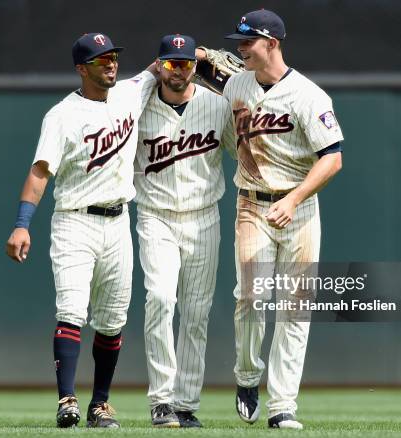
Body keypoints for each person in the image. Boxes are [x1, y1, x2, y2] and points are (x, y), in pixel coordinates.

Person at [199, 9, 344, 430]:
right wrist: (201, 56)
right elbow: (204, 68)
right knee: (250, 296)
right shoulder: (237, 83)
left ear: (273, 43)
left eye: (249, 42)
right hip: (252, 205)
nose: (241, 48)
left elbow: (332, 158)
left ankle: (283, 406)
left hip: (298, 207)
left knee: (295, 310)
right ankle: (247, 377)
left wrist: (296, 198)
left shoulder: (308, 96)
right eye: (238, 42)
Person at [5, 32, 157, 429]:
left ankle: (100, 404)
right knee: (72, 310)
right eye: (100, 60)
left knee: (112, 320)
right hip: (75, 221)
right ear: (81, 68)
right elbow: (40, 173)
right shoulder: (61, 116)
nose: (110, 64)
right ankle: (67, 400)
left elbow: (159, 69)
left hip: (119, 221)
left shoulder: (129, 92)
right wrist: (22, 225)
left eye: (113, 57)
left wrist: (203, 54)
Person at [134, 34, 235, 428]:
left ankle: (186, 402)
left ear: (196, 65)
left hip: (204, 215)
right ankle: (161, 400)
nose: (180, 70)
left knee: (196, 312)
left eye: (187, 63)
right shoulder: (138, 106)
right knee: (159, 298)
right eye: (172, 63)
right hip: (155, 214)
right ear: (158, 65)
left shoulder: (217, 105)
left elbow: (240, 150)